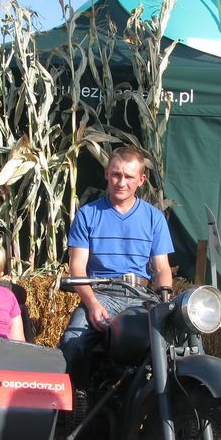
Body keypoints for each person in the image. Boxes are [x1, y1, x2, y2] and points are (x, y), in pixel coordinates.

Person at [59, 145, 174, 390]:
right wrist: (92, 304)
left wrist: (164, 299)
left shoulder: (154, 218)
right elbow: (77, 266)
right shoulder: (88, 214)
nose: (121, 182)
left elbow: (162, 268)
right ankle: (76, 403)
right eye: (116, 174)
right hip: (102, 293)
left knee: (174, 344)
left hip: (141, 297)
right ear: (106, 174)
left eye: (129, 176)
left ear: (141, 180)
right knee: (73, 342)